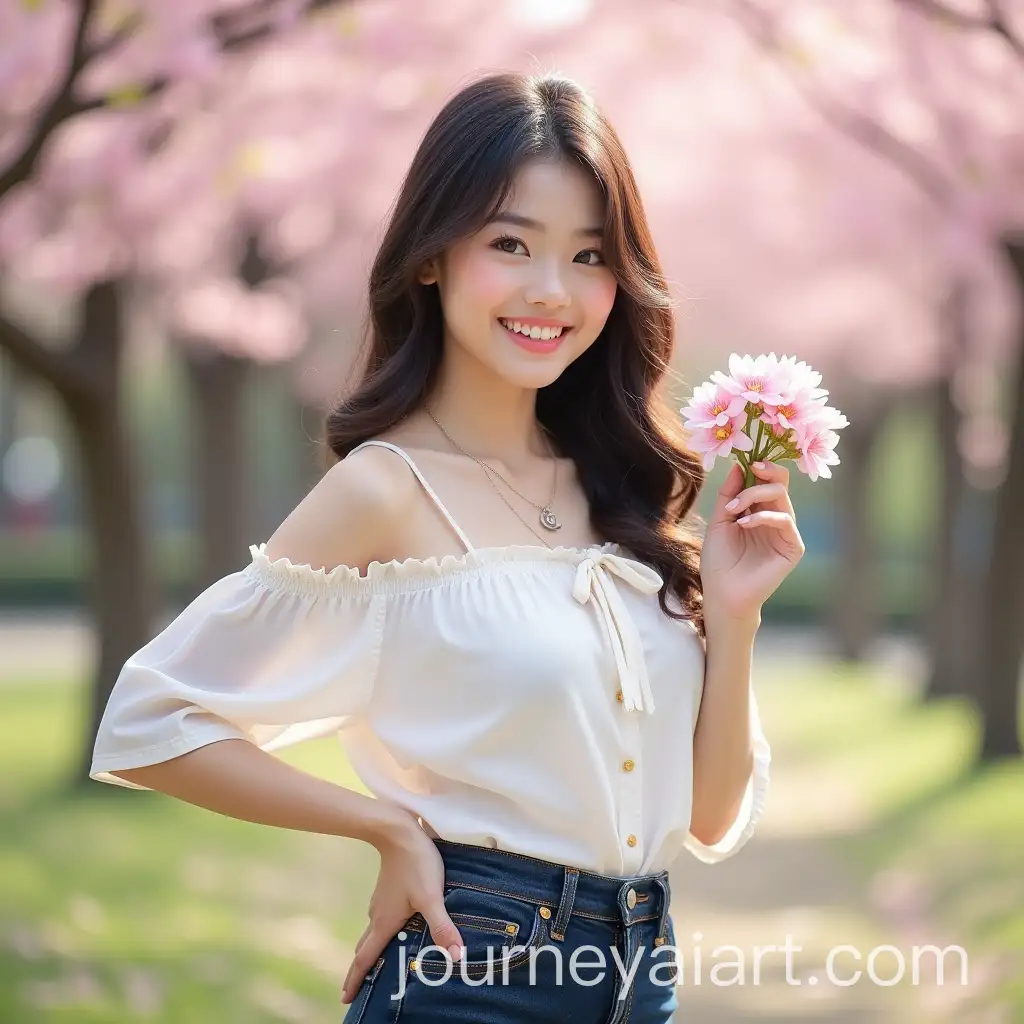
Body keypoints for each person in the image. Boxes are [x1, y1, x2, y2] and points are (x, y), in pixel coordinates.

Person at [90, 71, 802, 1023]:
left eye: (591, 255)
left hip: (639, 977)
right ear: (432, 257)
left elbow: (708, 820)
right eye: (511, 243)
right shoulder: (386, 490)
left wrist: (736, 615)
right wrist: (382, 825)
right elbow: (151, 722)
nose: (552, 291)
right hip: (475, 972)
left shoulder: (620, 493)